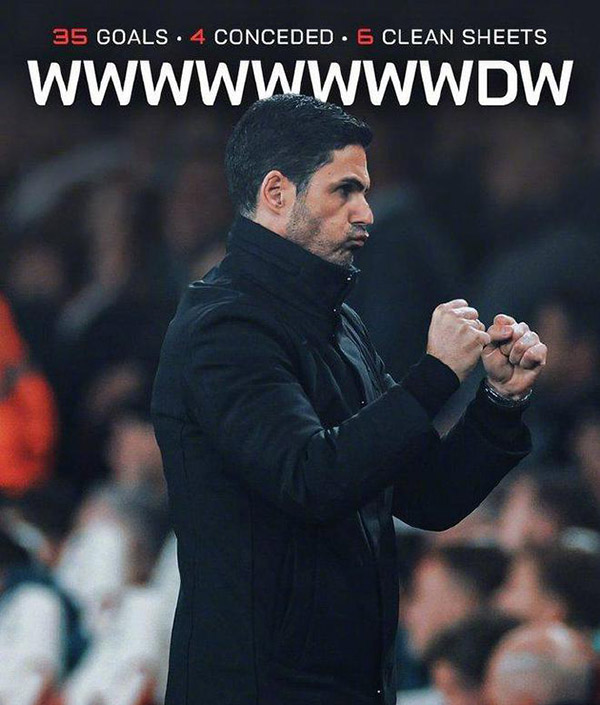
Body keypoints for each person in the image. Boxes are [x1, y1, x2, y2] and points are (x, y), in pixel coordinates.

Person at [151, 94, 547, 705]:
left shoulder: (340, 325)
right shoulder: (224, 329)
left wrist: (498, 404)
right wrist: (436, 374)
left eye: (365, 191)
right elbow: (310, 478)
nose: (366, 212)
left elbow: (425, 495)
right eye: (344, 190)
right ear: (276, 193)